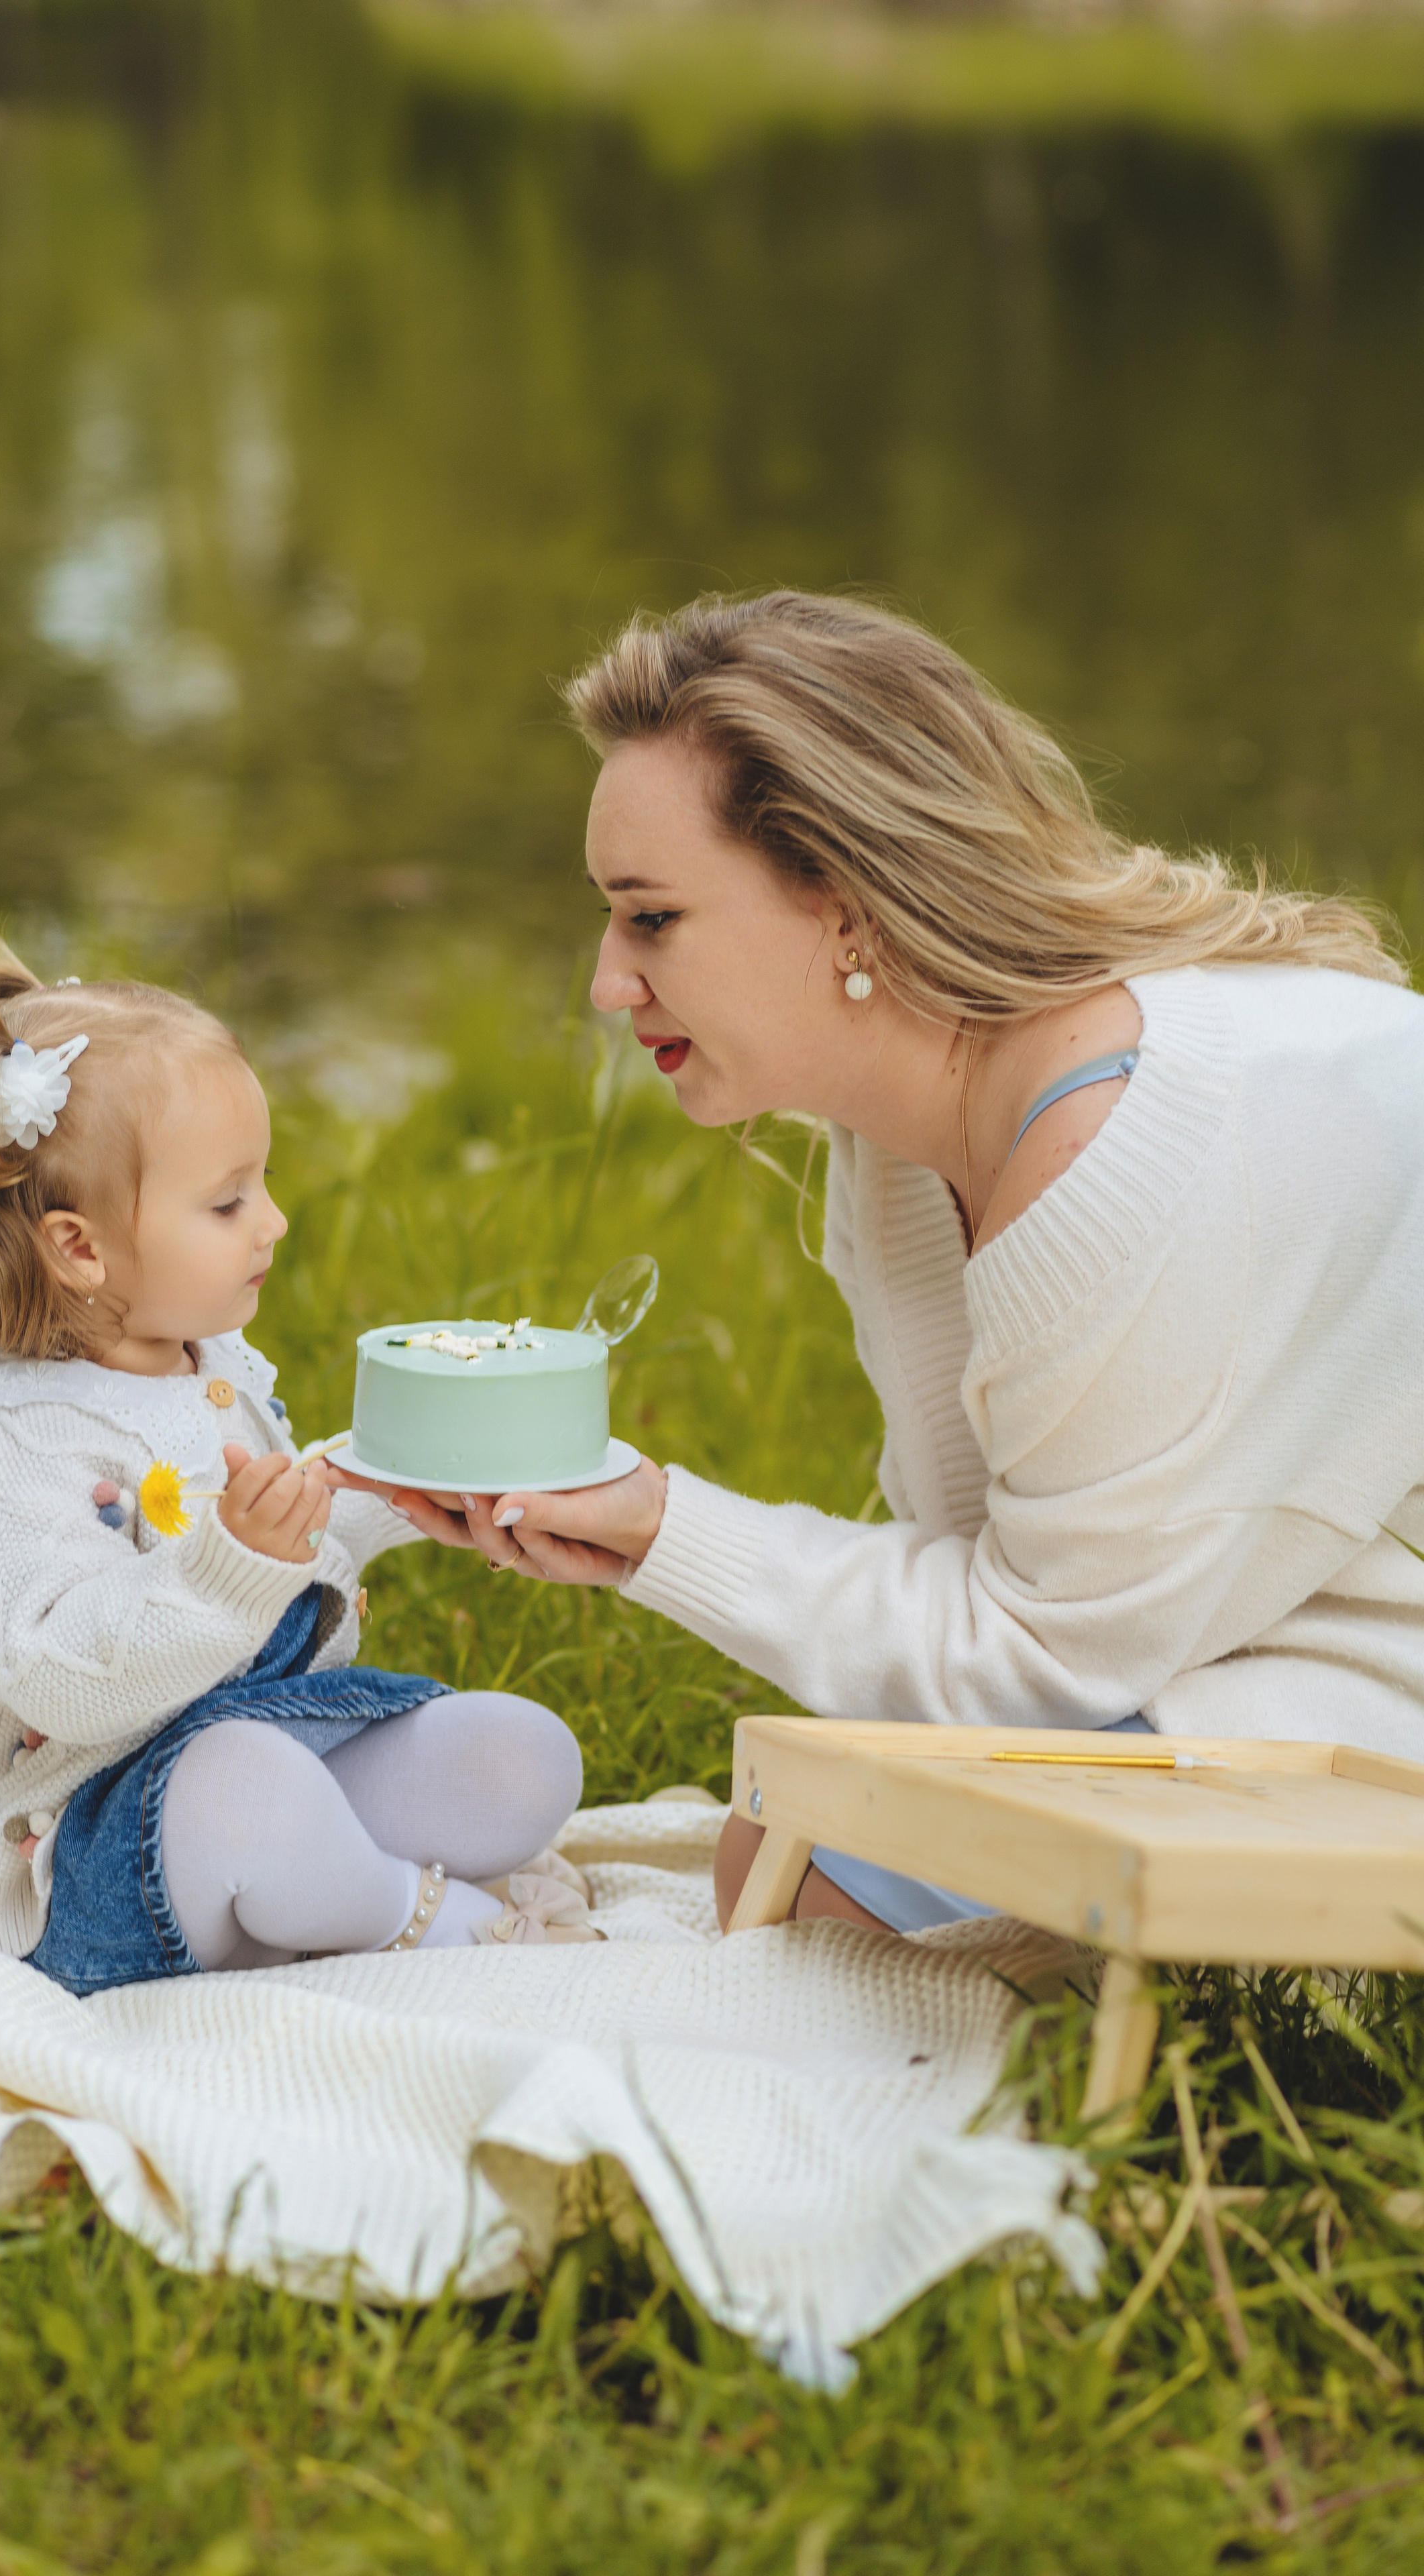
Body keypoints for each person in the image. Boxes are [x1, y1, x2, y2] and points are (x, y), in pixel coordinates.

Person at [335, 590, 1424, 1939]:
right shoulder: (916, 1118)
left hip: (1372, 1663)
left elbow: (1036, 1665)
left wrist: (667, 1528)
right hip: (1210, 1622)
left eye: (652, 919)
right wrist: (630, 1529)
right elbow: (983, 1560)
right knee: (796, 1850)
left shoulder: (1124, 1142)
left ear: (842, 903)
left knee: (804, 1878)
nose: (608, 983)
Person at [0, 943, 592, 1992]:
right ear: (80, 1249)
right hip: (82, 1851)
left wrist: (399, 1493)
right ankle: (410, 1917)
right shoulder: (16, 1445)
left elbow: (283, 1532)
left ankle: (311, 1887)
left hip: (266, 1745)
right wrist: (229, 1560)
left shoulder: (207, 1363)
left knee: (524, 1755)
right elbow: (61, 1680)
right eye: (227, 1204)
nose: (271, 1222)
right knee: (245, 1783)